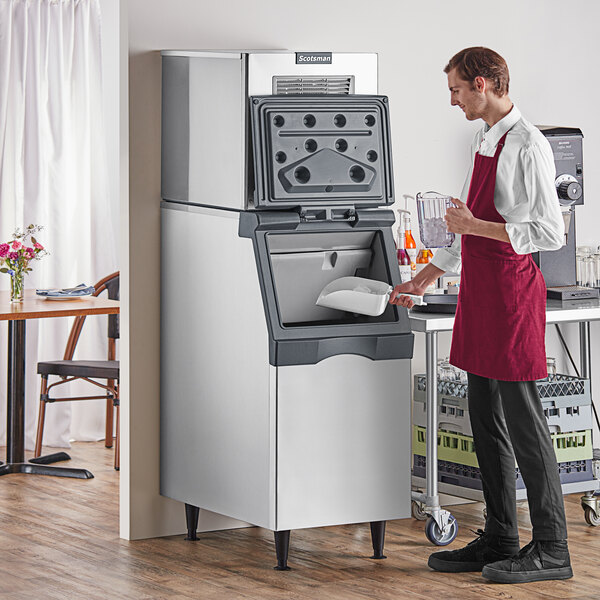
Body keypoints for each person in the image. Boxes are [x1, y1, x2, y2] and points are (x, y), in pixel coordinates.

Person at [390, 47, 572, 584]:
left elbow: (548, 233)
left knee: (525, 424)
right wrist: (424, 276)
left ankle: (554, 548)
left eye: (456, 90)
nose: (453, 101)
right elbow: (467, 225)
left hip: (513, 296)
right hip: (480, 293)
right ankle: (500, 534)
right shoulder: (484, 139)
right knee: (483, 419)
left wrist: (473, 230)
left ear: (485, 83)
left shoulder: (529, 144)